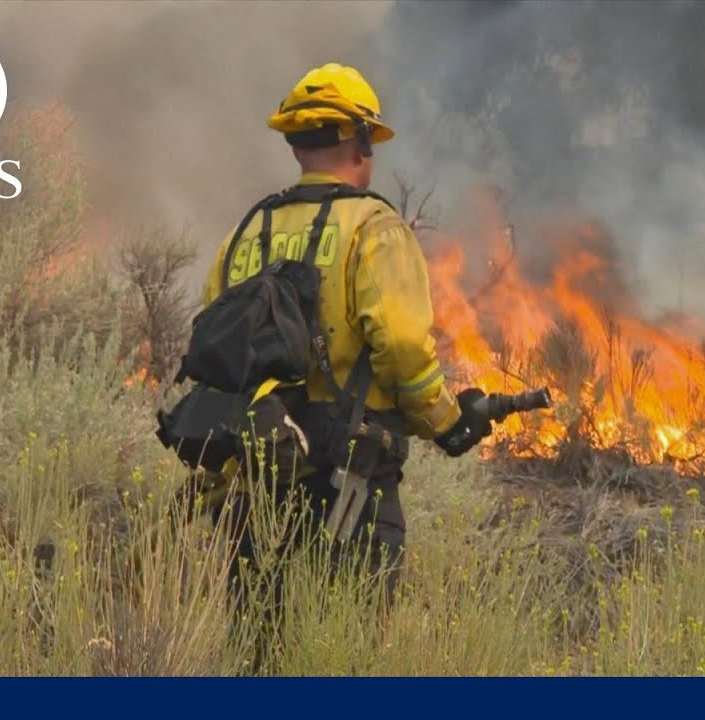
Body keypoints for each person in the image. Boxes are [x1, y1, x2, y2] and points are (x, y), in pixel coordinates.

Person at [198, 63, 492, 610]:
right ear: (359, 142)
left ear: (296, 144)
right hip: (348, 491)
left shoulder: (246, 233)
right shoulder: (374, 229)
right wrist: (449, 423)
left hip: (254, 489)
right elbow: (404, 348)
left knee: (259, 651)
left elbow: (216, 352)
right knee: (344, 652)